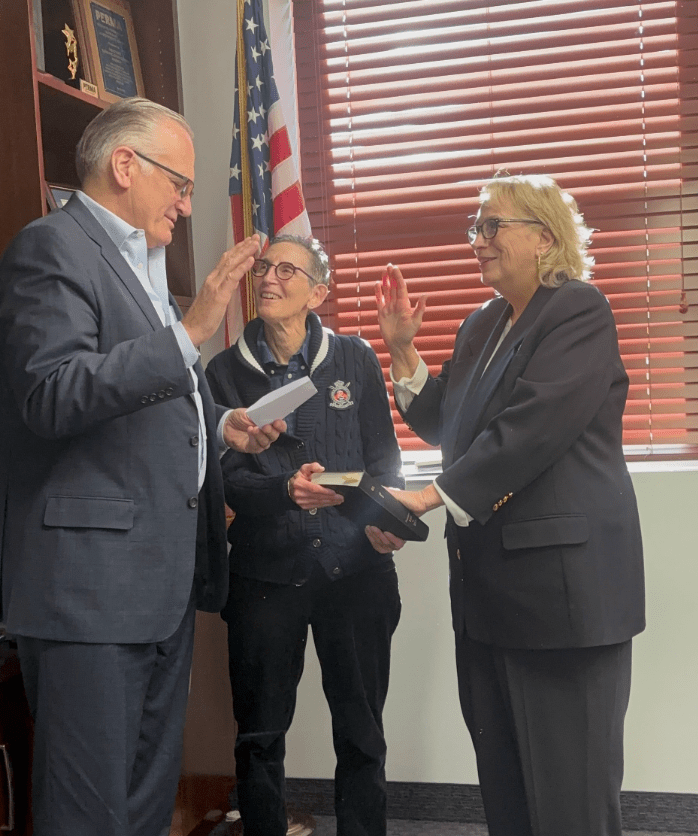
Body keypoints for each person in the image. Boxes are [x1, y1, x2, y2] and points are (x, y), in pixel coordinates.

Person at [0, 96, 286, 836]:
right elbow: (53, 395)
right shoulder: (49, 250)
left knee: (146, 808)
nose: (186, 202)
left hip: (159, 585)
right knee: (88, 814)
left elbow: (144, 409)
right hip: (88, 592)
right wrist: (189, 331)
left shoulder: (144, 264)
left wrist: (219, 428)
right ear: (125, 166)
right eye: (178, 183)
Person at [369, 173, 645, 836]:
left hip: (560, 604)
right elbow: (450, 427)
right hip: (489, 601)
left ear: (545, 237)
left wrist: (430, 494)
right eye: (476, 226)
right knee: (508, 795)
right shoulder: (481, 324)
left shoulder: (578, 311)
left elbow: (532, 429)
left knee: (570, 803)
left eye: (494, 226)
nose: (478, 240)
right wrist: (403, 349)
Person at [205, 235, 404, 836]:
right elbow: (222, 479)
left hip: (356, 574)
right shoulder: (222, 372)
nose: (268, 278)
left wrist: (383, 522)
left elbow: (385, 462)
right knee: (259, 736)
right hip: (266, 578)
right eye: (264, 268)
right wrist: (282, 491)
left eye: (286, 270)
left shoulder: (356, 358)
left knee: (362, 731)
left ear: (319, 291)